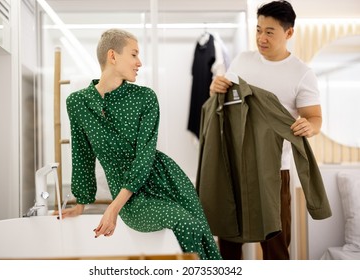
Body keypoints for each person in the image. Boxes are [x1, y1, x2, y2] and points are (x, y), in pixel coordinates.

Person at [60, 28, 222, 260]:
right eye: (134, 54)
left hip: (166, 179)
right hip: (133, 197)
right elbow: (83, 154)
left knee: (202, 233)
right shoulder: (77, 102)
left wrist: (112, 208)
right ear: (113, 56)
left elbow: (145, 156)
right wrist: (81, 203)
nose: (140, 62)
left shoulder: (145, 97)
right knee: (188, 225)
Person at [209, 1, 322, 260]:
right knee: (228, 237)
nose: (261, 38)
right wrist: (215, 88)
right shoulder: (242, 60)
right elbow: (227, 102)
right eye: (258, 29)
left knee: (275, 243)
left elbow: (315, 118)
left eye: (269, 32)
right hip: (235, 165)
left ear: (289, 33)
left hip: (275, 169)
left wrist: (310, 126)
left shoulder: (302, 73)